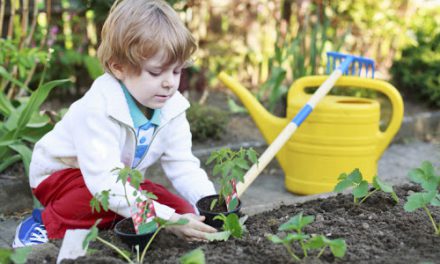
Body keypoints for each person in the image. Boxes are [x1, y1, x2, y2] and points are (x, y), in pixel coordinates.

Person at [13, 0, 217, 248]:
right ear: (118, 68)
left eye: (176, 72)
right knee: (108, 201)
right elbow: (103, 184)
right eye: (156, 72)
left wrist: (210, 201)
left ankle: (115, 219)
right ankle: (44, 222)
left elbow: (182, 165)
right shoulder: (99, 107)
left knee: (183, 211)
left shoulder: (172, 108)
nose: (169, 83)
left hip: (120, 179)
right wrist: (167, 219)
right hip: (63, 178)